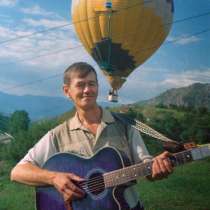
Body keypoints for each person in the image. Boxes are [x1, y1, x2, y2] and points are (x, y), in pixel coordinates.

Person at [10, 62, 173, 210]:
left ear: (97, 87)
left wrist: (157, 167)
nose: (87, 90)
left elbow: (146, 165)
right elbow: (17, 172)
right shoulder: (56, 135)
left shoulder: (126, 126)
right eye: (80, 85)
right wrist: (54, 178)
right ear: (67, 91)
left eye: (91, 84)